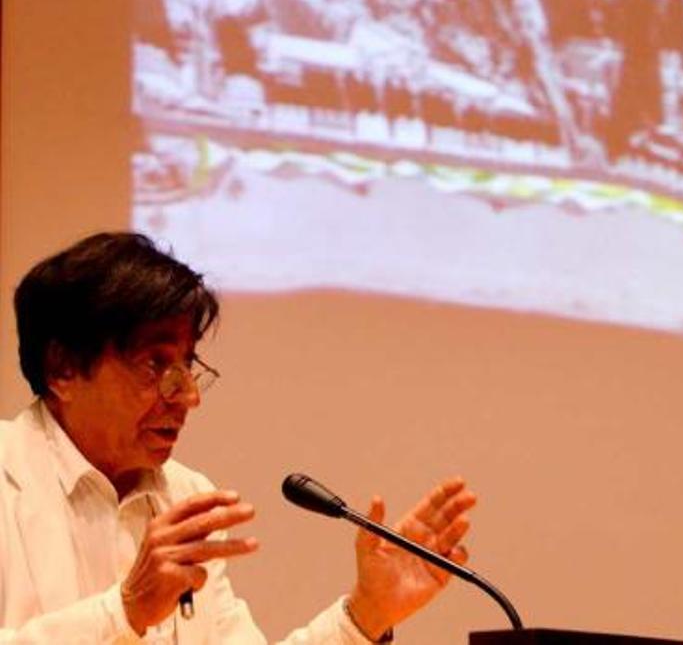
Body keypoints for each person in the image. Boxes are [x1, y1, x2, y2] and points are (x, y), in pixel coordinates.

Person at [0, 232, 475, 643]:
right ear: (63, 368)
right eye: (154, 364)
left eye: (187, 365)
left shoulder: (187, 496)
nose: (188, 396)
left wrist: (366, 614)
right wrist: (124, 611)